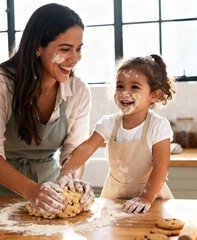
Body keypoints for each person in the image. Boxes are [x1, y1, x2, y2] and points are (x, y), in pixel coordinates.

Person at [0, 3, 94, 218]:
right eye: (65, 49)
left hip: (51, 198)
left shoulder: (78, 91)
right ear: (38, 47)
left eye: (79, 49)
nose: (74, 59)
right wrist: (31, 191)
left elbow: (73, 154)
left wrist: (72, 181)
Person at [57, 54, 176, 214]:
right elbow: (85, 150)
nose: (125, 92)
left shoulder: (158, 126)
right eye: (120, 86)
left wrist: (146, 198)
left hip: (151, 201)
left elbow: (161, 167)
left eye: (134, 87)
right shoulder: (109, 123)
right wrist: (66, 172)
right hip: (114, 199)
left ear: (153, 95)